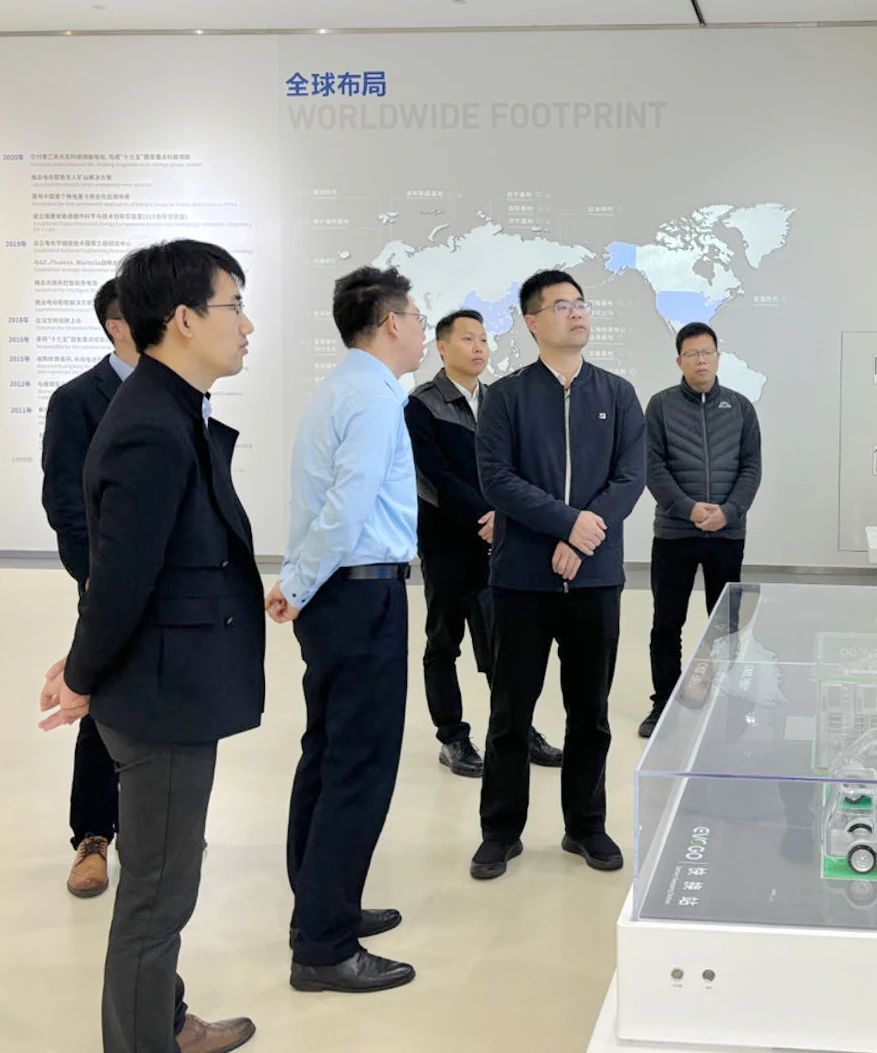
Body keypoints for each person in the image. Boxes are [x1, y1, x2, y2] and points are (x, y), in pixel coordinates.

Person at [38, 239, 263, 1053]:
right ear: (183, 319)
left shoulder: (168, 408)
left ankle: (164, 1020)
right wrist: (82, 672)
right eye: (234, 305)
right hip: (161, 697)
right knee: (157, 899)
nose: (246, 325)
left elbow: (146, 565)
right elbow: (120, 578)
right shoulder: (150, 428)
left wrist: (81, 660)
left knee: (162, 879)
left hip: (169, 684)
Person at [266, 265, 421, 995]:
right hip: (361, 596)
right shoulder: (372, 398)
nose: (422, 332)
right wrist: (297, 583)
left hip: (339, 596)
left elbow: (327, 503)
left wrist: (299, 582)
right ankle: (324, 947)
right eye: (416, 318)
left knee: (328, 755)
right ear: (390, 322)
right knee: (358, 766)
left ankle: (320, 906)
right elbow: (348, 506)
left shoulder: (341, 389)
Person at [470, 269, 645, 880]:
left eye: (581, 303)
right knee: (510, 713)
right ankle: (500, 831)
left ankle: (586, 826)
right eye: (562, 305)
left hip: (594, 582)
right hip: (522, 580)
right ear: (532, 321)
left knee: (590, 713)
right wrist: (569, 525)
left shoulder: (617, 394)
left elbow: (630, 478)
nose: (577, 313)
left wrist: (584, 535)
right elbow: (498, 480)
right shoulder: (506, 397)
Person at [405, 308, 562, 777]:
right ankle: (452, 737)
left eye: (483, 340)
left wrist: (506, 516)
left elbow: (518, 467)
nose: (479, 348)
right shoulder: (422, 405)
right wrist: (485, 515)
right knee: (444, 640)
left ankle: (517, 729)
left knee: (504, 642)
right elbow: (434, 475)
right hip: (447, 543)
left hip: (500, 542)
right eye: (467, 339)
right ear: (442, 347)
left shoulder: (499, 400)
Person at [41, 278, 135, 898]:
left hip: (168, 588)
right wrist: (96, 579)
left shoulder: (183, 393)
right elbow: (64, 503)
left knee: (163, 703)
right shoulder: (77, 399)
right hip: (107, 584)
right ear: (117, 326)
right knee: (100, 704)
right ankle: (93, 836)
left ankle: (158, 823)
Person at [639, 321, 762, 738]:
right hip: (675, 532)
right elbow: (652, 467)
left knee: (727, 624)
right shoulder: (660, 406)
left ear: (717, 357)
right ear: (680, 361)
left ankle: (730, 701)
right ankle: (663, 703)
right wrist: (689, 509)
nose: (701, 360)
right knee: (666, 623)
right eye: (692, 354)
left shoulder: (741, 408)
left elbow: (751, 467)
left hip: (727, 534)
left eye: (707, 352)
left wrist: (729, 512)